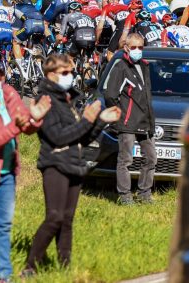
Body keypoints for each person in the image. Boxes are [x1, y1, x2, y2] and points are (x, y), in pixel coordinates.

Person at [24, 54, 120, 275]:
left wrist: (100, 121)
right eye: (65, 73)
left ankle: (63, 268)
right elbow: (57, 137)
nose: (71, 77)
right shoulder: (45, 100)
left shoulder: (69, 101)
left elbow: (82, 138)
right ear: (50, 75)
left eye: (71, 72)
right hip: (55, 163)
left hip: (74, 163)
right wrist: (87, 120)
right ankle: (30, 266)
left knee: (67, 220)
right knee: (55, 216)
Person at [0, 60, 50, 283]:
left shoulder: (9, 94)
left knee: (3, 225)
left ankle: (4, 275)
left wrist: (34, 118)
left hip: (8, 172)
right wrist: (16, 125)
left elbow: (26, 126)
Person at [104, 33, 158, 205]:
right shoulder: (121, 66)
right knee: (125, 160)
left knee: (151, 158)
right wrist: (121, 113)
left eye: (140, 47)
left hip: (145, 121)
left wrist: (151, 121)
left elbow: (146, 96)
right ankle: (125, 195)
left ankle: (144, 193)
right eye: (133, 47)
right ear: (126, 47)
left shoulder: (145, 66)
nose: (137, 50)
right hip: (127, 122)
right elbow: (110, 95)